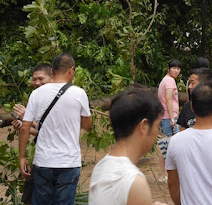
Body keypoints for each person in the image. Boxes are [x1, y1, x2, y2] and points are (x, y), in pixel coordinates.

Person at [19, 54, 92, 205]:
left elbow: (25, 127)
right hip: (69, 163)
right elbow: (87, 125)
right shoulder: (79, 93)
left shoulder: (36, 94)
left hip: (43, 161)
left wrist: (22, 157)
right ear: (71, 70)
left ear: (51, 72)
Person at [89, 89, 167, 205]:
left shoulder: (101, 166)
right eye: (157, 126)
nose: (157, 132)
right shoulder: (134, 182)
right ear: (144, 126)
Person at [11, 64, 53, 205]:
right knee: (29, 198)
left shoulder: (60, 98)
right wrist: (24, 126)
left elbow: (54, 130)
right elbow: (42, 132)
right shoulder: (36, 97)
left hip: (54, 161)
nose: (37, 83)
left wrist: (29, 122)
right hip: (40, 157)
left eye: (41, 79)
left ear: (52, 77)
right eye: (34, 79)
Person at [177, 67, 212, 133]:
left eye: (193, 83)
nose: (189, 86)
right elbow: (182, 129)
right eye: (189, 83)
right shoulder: (187, 106)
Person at [157, 59, 181, 182]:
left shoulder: (165, 80)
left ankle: (164, 174)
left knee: (165, 144)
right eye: (174, 68)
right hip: (168, 117)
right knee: (169, 146)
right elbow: (168, 99)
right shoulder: (170, 81)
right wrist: (172, 118)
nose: (176, 70)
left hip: (165, 116)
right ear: (168, 68)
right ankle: (165, 174)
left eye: (178, 68)